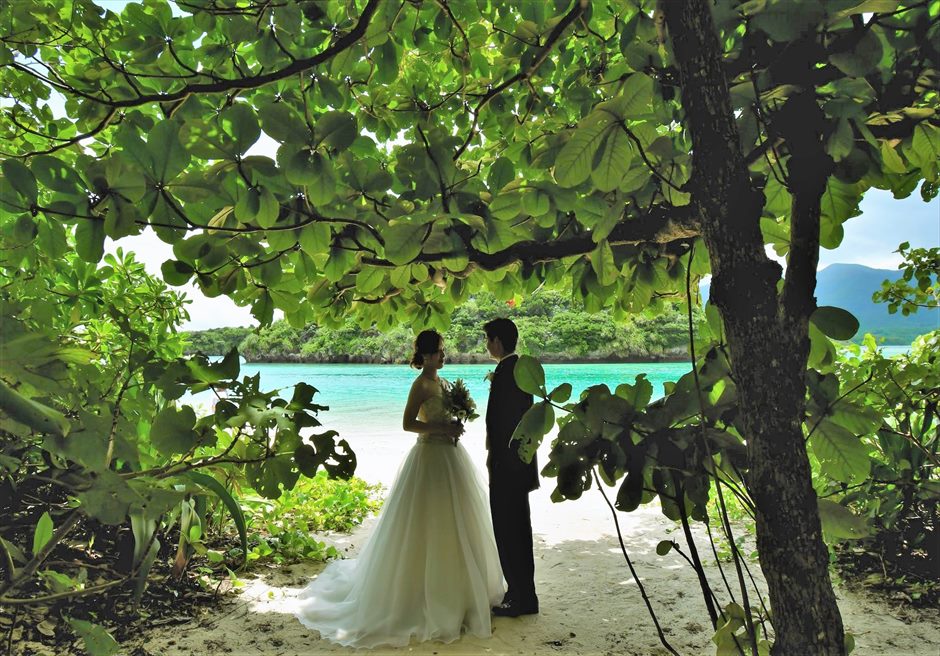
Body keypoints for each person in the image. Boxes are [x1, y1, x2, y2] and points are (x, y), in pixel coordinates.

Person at [294, 330, 505, 648]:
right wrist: (439, 427)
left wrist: (454, 425)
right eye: (440, 352)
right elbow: (408, 423)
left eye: (443, 351)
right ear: (428, 355)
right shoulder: (420, 384)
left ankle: (458, 595)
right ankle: (423, 597)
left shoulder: (444, 384)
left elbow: (445, 416)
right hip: (429, 457)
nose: (444, 356)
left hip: (450, 457)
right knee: (425, 524)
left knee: (454, 524)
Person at [483, 317, 539, 617]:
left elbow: (505, 424)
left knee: (508, 531)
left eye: (487, 339)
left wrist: (495, 458)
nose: (486, 345)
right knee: (519, 530)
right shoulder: (518, 370)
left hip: (507, 467)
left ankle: (520, 598)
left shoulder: (507, 372)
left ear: (497, 342)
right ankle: (522, 594)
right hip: (518, 465)